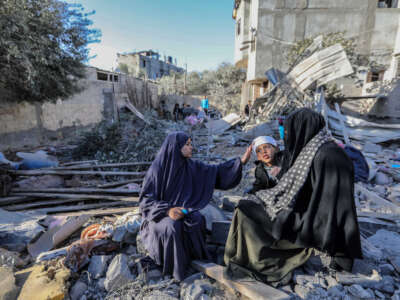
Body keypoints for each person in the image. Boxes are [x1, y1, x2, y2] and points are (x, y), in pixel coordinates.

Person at [224, 108, 362, 285]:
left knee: (246, 210)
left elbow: (339, 208)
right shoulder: (313, 149)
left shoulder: (329, 155)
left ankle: (258, 258)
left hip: (312, 221)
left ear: (303, 128)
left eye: (289, 131)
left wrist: (341, 255)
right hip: (306, 211)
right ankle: (245, 255)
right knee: (246, 205)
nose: (287, 136)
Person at [139, 132, 252, 281]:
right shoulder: (157, 170)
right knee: (173, 226)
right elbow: (145, 201)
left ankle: (193, 261)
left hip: (183, 211)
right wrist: (168, 210)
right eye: (187, 144)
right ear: (176, 146)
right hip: (158, 216)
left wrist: (240, 162)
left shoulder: (192, 166)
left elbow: (216, 172)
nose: (191, 147)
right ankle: (175, 272)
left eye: (190, 143)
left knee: (196, 219)